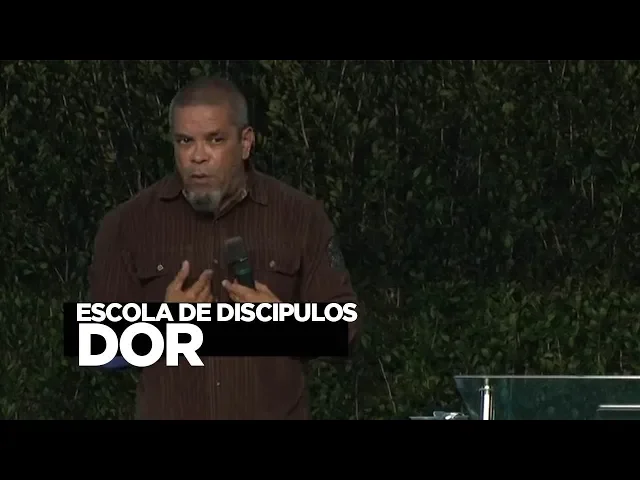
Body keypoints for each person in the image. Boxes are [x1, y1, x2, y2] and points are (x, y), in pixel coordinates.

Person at [88, 76, 361, 420]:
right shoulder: (127, 224)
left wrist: (286, 325)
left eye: (215, 140)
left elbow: (347, 331)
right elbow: (96, 347)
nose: (198, 156)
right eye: (185, 141)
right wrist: (161, 326)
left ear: (246, 143)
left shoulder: (301, 217)